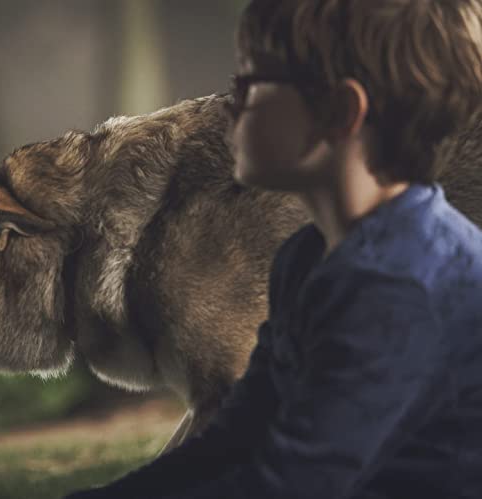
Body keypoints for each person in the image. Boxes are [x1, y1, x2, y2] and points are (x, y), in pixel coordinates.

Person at [65, 0, 482, 497]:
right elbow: (236, 436)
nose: (225, 105)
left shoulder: (397, 284)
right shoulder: (307, 257)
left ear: (341, 112)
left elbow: (295, 480)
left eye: (250, 85)